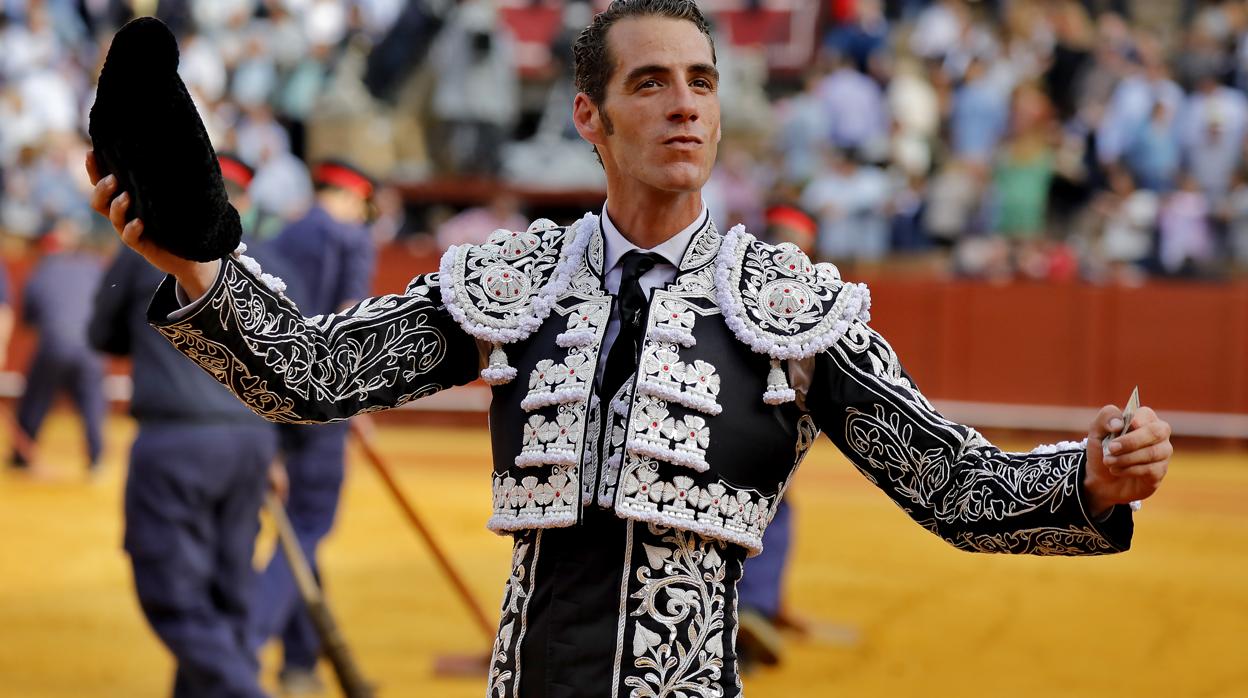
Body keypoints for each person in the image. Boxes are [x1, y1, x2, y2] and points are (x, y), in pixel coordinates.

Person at [89, 2, 1173, 695]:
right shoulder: (516, 279)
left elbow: (947, 479)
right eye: (650, 82)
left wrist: (1088, 477)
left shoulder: (784, 301)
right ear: (590, 117)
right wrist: (194, 264)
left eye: (702, 80)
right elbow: (315, 374)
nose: (685, 105)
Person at [87, 154, 280, 698]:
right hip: (250, 440)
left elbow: (102, 336)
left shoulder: (145, 252)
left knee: (178, 601)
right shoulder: (261, 258)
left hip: (178, 441)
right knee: (230, 593)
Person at [247, 159, 377, 695]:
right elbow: (351, 317)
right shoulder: (350, 237)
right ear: (353, 198)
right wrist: (362, 401)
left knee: (298, 534)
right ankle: (242, 642)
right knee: (305, 529)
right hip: (324, 401)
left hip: (266, 400)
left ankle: (300, 663)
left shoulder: (278, 234)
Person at [12, 218, 105, 474]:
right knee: (91, 402)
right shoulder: (91, 267)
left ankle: (22, 455)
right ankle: (96, 458)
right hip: (89, 347)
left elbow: (29, 319)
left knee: (36, 398)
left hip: (55, 344)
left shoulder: (41, 271)